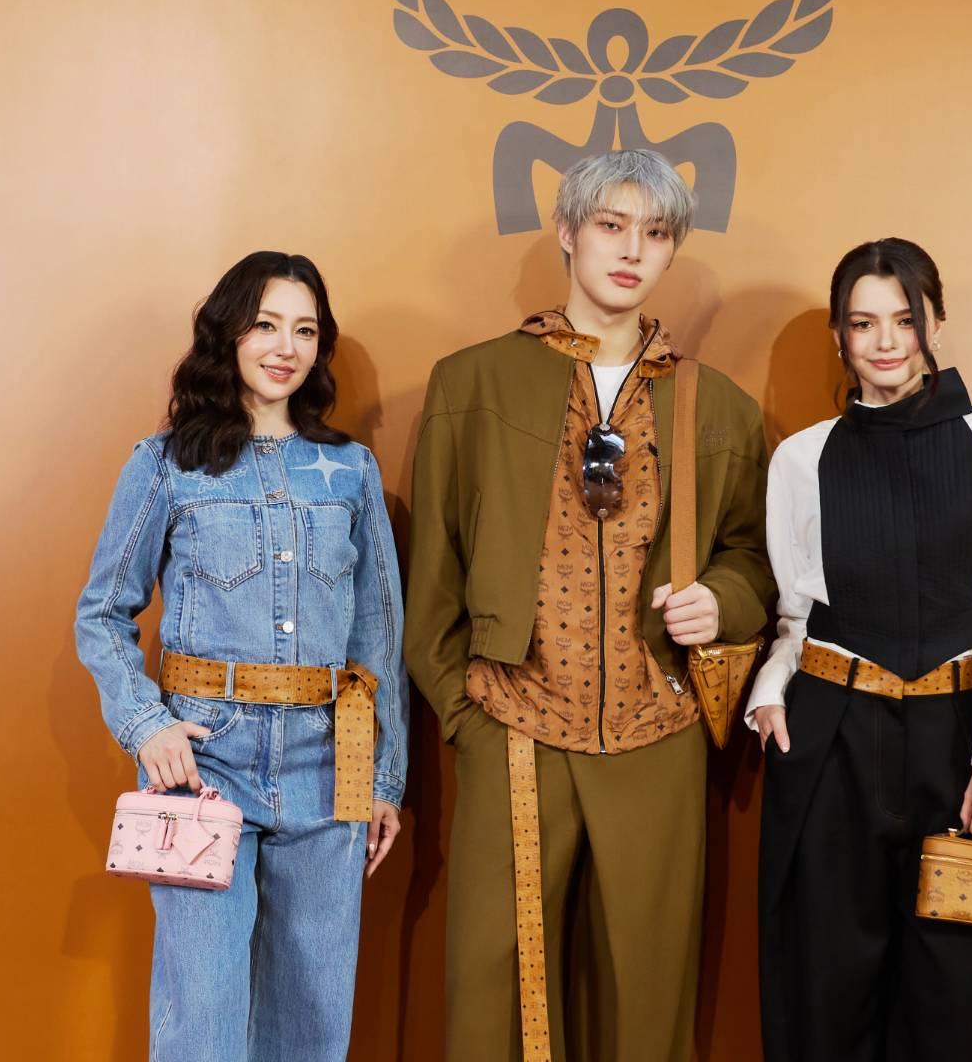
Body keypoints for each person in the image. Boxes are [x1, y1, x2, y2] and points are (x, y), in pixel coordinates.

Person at [405, 149, 775, 1060]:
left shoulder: (717, 406)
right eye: (611, 225)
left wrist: (722, 603)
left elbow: (754, 560)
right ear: (568, 232)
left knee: (646, 994)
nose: (632, 250)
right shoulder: (473, 384)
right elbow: (433, 572)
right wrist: (465, 711)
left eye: (656, 233)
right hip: (513, 723)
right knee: (494, 995)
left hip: (659, 730)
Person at [75, 251, 409, 1061]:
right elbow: (103, 612)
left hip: (329, 768)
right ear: (228, 333)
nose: (285, 347)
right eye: (265, 325)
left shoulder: (350, 471)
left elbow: (377, 638)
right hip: (205, 765)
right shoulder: (166, 464)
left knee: (312, 1021)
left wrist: (384, 779)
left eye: (305, 330)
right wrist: (146, 724)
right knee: (202, 1021)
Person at [751, 238, 972, 1061]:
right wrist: (771, 690)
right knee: (824, 985)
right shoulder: (801, 458)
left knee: (956, 994)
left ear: (936, 324)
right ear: (839, 336)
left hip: (956, 742)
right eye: (862, 323)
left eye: (904, 319)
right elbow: (795, 611)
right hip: (829, 739)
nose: (885, 341)